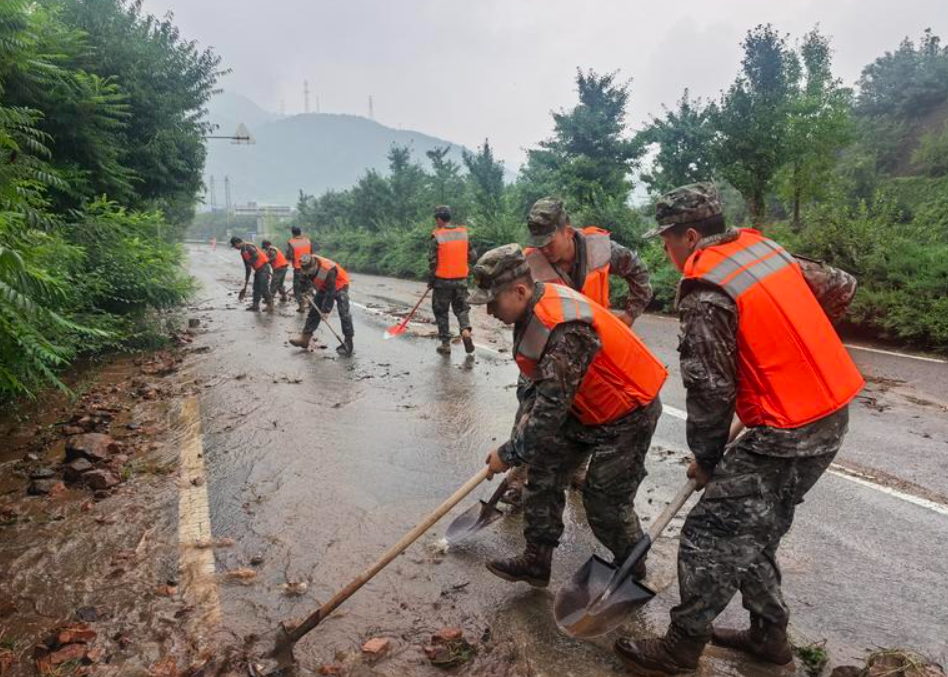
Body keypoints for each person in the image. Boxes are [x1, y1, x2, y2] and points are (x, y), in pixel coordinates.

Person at [614, 183, 864, 674]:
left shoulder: (707, 290)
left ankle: (681, 648)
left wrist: (707, 460)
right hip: (830, 411)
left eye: (666, 239)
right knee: (755, 529)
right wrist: (790, 346)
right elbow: (842, 286)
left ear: (689, 236)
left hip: (786, 432)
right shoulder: (763, 250)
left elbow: (708, 391)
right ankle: (769, 639)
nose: (665, 251)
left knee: (709, 534)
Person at [471, 244, 667, 587]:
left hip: (627, 413)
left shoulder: (563, 329)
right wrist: (520, 440)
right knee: (543, 471)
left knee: (603, 499)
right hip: (583, 406)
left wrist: (509, 452)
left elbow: (549, 411)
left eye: (492, 301)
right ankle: (537, 560)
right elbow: (535, 387)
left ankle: (631, 565)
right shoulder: (530, 310)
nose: (488, 312)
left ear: (519, 290)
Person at [502, 197, 656, 506]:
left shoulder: (602, 250)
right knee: (531, 409)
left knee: (588, 410)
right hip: (546, 350)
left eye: (550, 241)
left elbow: (639, 275)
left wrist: (630, 315)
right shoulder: (530, 264)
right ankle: (518, 478)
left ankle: (577, 469)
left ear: (567, 231)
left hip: (593, 351)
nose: (544, 248)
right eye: (539, 242)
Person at [428, 205, 477, 355]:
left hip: (442, 282)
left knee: (441, 312)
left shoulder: (437, 235)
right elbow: (473, 256)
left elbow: (432, 262)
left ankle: (445, 344)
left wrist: (431, 280)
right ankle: (465, 331)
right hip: (461, 280)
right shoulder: (463, 233)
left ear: (438, 219)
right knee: (462, 308)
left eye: (436, 219)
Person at [289, 253, 354, 355]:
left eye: (309, 270)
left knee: (344, 313)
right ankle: (305, 339)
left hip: (340, 285)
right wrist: (303, 290)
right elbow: (304, 278)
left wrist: (325, 310)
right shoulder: (306, 264)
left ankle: (348, 342)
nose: (307, 272)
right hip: (324, 286)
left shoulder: (326, 269)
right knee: (314, 311)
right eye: (305, 270)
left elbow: (330, 292)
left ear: (314, 265)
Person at [230, 236, 273, 312]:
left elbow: (255, 255)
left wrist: (250, 263)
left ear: (237, 243)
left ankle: (270, 304)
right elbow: (247, 267)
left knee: (264, 287)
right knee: (256, 288)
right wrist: (246, 279)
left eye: (235, 245)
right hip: (258, 270)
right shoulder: (243, 252)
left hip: (263, 268)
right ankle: (255, 305)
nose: (235, 247)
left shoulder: (248, 246)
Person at [286, 226, 313, 313]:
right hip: (309, 267)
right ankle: (311, 303)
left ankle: (302, 306)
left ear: (292, 233)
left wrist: (289, 256)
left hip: (299, 269)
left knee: (298, 288)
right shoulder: (307, 241)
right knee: (309, 286)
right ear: (300, 232)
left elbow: (289, 256)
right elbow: (311, 252)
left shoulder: (291, 242)